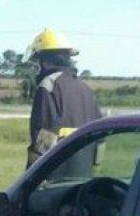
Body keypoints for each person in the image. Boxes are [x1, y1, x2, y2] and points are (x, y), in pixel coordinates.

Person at [24, 28, 101, 168]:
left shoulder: (48, 86)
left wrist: (32, 172)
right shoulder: (85, 89)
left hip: (56, 174)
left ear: (45, 61)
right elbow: (100, 135)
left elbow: (44, 135)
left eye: (37, 62)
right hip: (85, 172)